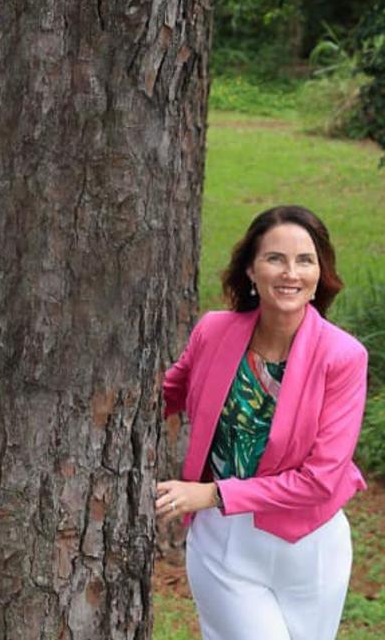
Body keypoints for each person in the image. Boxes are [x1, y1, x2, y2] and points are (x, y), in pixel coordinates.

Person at [155, 205, 369, 640]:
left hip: (311, 549)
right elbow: (162, 396)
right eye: (275, 258)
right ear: (251, 269)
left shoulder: (343, 357)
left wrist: (212, 492)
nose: (290, 273)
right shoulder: (213, 332)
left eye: (304, 260)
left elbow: (321, 480)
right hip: (224, 544)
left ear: (319, 274)